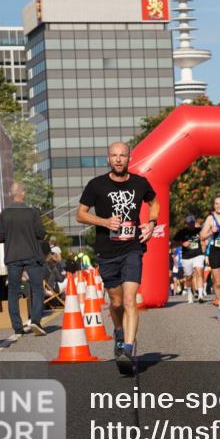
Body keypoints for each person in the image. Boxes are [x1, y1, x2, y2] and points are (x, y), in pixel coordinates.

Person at [76, 141, 158, 374]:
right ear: (108, 159)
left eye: (123, 155)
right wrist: (104, 221)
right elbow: (80, 215)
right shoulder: (96, 185)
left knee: (131, 299)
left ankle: (128, 350)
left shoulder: (140, 183)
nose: (119, 159)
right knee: (117, 302)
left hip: (132, 248)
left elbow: (155, 202)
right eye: (114, 155)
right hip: (107, 251)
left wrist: (151, 223)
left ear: (129, 158)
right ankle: (119, 333)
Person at [0, 182, 48, 341]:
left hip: (12, 257)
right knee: (37, 288)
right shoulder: (32, 212)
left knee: (13, 292)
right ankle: (36, 321)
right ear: (23, 194)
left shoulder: (4, 214)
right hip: (32, 255)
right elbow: (41, 234)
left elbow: (0, 237)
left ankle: (17, 328)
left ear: (11, 195)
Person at [173, 214, 206, 303]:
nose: (191, 225)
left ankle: (200, 295)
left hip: (198, 254)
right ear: (186, 224)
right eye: (189, 223)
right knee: (188, 277)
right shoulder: (182, 232)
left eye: (192, 223)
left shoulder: (199, 230)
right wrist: (182, 244)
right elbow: (173, 243)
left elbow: (207, 231)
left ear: (194, 223)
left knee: (199, 271)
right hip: (187, 257)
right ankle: (189, 293)